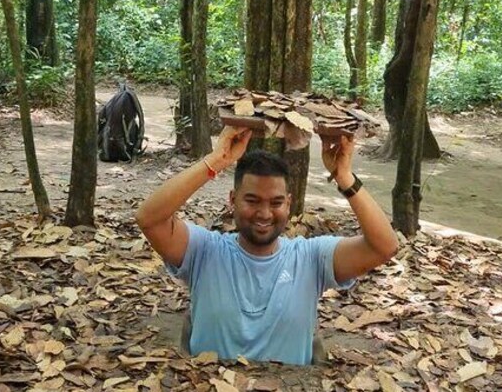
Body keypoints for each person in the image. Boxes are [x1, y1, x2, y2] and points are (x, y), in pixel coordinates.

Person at [135, 126, 399, 365]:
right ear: (233, 200)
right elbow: (150, 219)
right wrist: (216, 161)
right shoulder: (204, 251)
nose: (264, 213)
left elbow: (384, 246)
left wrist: (345, 178)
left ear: (288, 203)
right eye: (252, 200)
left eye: (275, 202)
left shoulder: (310, 258)